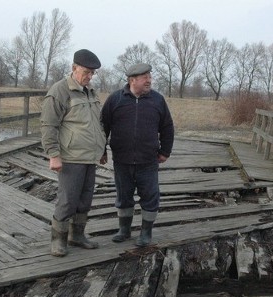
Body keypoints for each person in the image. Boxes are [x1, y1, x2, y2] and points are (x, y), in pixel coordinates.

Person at [40, 49, 108, 257]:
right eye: (86, 72)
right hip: (70, 157)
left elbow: (98, 125)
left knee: (85, 199)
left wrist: (102, 150)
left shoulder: (91, 92)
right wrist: (53, 154)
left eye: (92, 73)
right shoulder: (60, 91)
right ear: (74, 68)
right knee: (68, 199)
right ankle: (58, 241)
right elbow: (48, 125)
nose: (89, 76)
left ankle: (76, 235)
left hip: (90, 156)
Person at [101, 63, 174, 247]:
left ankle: (145, 232)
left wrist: (165, 151)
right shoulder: (115, 99)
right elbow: (103, 127)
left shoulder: (157, 100)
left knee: (150, 196)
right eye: (145, 77)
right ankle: (124, 230)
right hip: (122, 160)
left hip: (148, 160)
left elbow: (167, 126)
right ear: (133, 80)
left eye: (149, 76)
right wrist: (101, 150)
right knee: (123, 196)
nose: (149, 80)